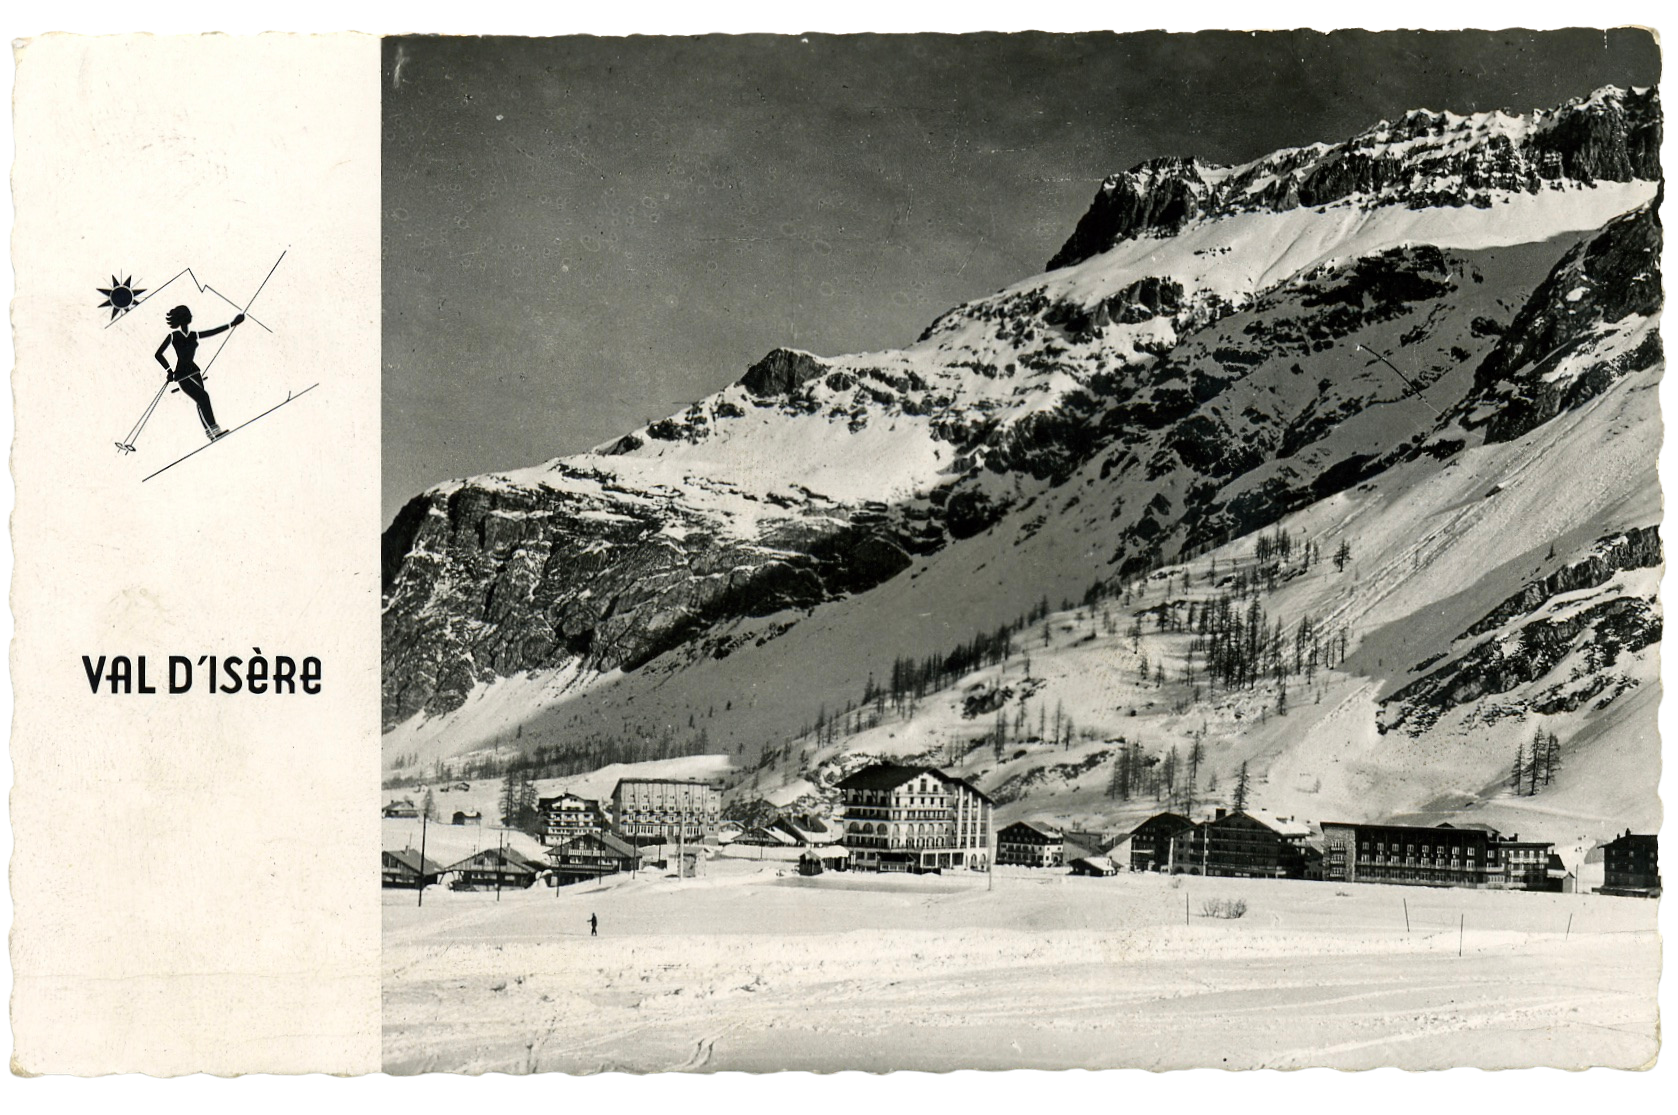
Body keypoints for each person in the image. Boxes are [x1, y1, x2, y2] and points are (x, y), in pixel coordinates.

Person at [156, 305, 244, 440]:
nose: (191, 315)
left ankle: (211, 433)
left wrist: (233, 324)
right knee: (203, 398)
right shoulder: (173, 336)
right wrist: (169, 370)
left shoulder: (192, 335)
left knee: (201, 401)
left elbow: (212, 332)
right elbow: (158, 354)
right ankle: (214, 430)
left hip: (194, 372)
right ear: (183, 318)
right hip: (183, 374)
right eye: (188, 314)